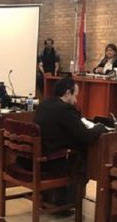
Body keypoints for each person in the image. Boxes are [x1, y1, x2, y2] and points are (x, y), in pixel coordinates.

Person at [33, 77, 106, 206]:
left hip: (37, 157)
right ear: (67, 93)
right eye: (75, 95)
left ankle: (58, 198)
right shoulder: (65, 109)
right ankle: (68, 201)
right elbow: (86, 136)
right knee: (84, 156)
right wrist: (100, 127)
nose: (76, 100)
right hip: (54, 162)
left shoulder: (44, 104)